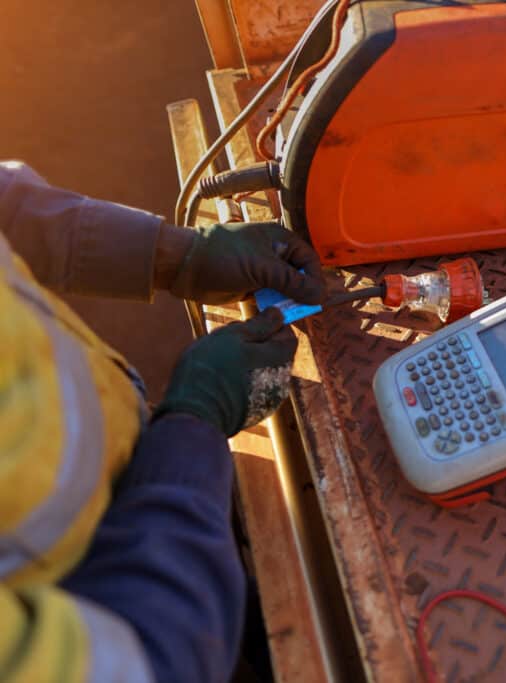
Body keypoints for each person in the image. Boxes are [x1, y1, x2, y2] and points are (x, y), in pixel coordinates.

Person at [0, 161, 326, 683]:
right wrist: (193, 429)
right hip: (122, 608)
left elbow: (6, 210)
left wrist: (178, 255)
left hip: (148, 487)